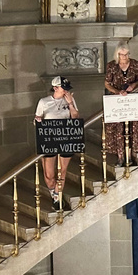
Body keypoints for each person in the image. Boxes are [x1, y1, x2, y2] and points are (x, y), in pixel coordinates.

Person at [34, 75, 80, 206]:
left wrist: (70, 102)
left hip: (66, 137)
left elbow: (76, 117)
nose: (65, 91)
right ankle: (54, 194)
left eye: (66, 88)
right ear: (55, 88)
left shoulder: (69, 99)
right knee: (49, 175)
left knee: (62, 171)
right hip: (49, 138)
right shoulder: (44, 102)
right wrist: (38, 121)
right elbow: (37, 118)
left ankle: (58, 198)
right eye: (62, 88)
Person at [104, 43, 138, 166]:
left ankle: (133, 153)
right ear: (117, 54)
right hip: (118, 100)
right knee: (118, 128)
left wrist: (133, 85)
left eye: (126, 54)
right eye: (122, 54)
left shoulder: (135, 64)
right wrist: (117, 91)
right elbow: (107, 84)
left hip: (133, 98)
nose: (124, 57)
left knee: (134, 126)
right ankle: (121, 156)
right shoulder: (112, 66)